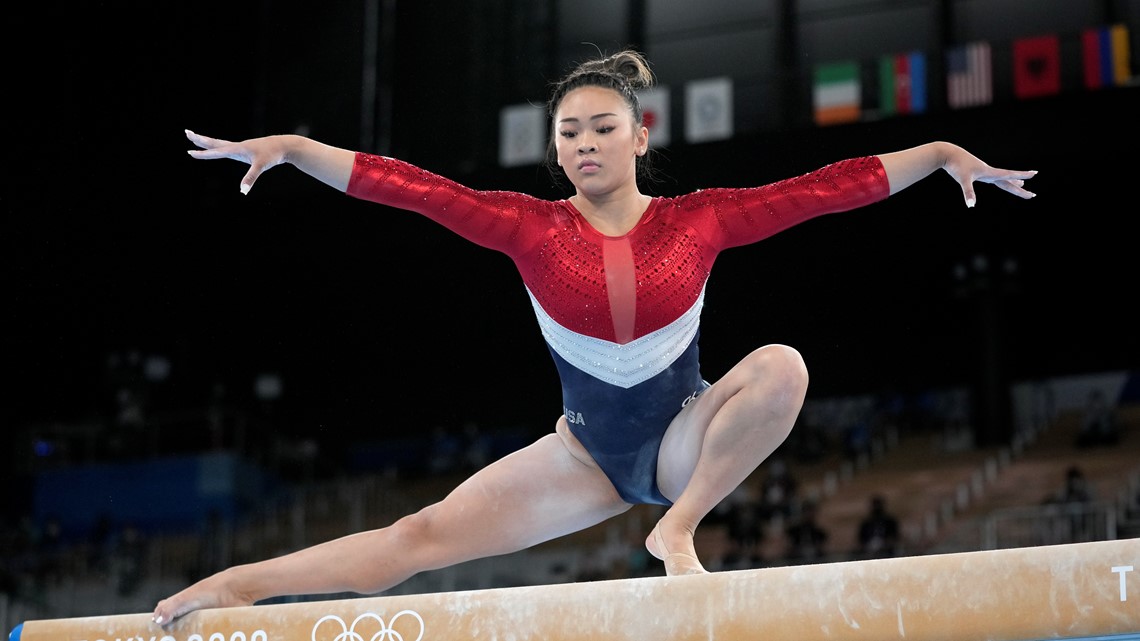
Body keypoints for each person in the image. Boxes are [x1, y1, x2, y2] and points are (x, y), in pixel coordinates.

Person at [153, 48, 1036, 625]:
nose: (583, 142)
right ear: (555, 147)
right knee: (414, 540)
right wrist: (300, 149)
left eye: (601, 127)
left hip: (685, 438)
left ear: (640, 135)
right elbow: (409, 187)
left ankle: (677, 530)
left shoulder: (703, 219)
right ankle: (239, 584)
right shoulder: (524, 225)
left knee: (782, 369)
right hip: (582, 457)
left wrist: (938, 155)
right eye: (567, 131)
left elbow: (823, 188)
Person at [856, 494, 901, 558]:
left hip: (887, 551)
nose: (877, 508)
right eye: (875, 506)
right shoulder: (866, 523)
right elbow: (860, 540)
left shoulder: (890, 522)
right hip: (869, 551)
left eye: (878, 505)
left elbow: (895, 538)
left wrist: (884, 545)